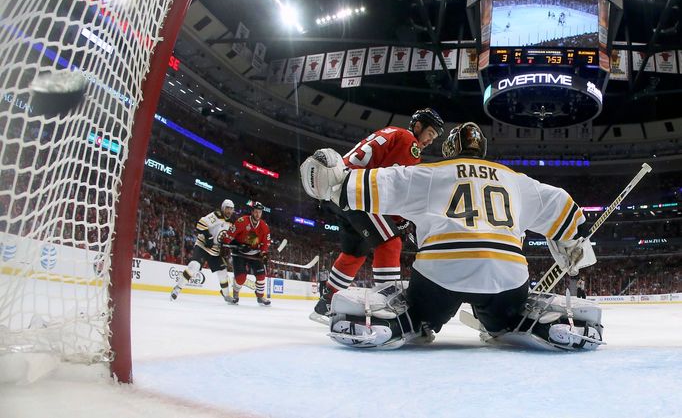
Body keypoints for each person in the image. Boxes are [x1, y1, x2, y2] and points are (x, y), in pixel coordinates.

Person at [300, 122, 602, 351]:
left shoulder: (432, 173)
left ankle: (398, 321)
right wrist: (576, 238)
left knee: (418, 312)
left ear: (450, 149)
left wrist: (336, 180)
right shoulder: (515, 180)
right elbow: (560, 203)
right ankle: (528, 322)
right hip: (506, 278)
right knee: (508, 315)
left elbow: (374, 185)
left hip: (440, 275)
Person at [303, 108, 445, 323]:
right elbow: (393, 182)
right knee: (390, 242)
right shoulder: (408, 141)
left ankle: (324, 306)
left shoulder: (391, 131)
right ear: (418, 126)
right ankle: (387, 307)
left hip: (340, 191)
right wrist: (400, 219)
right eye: (430, 134)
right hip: (358, 192)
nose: (429, 141)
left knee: (355, 253)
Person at [171, 199, 235, 302]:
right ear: (223, 208)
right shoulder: (216, 215)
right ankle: (177, 289)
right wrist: (208, 237)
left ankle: (226, 295)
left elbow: (227, 238)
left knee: (223, 272)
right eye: (227, 208)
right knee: (194, 266)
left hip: (215, 250)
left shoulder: (231, 223)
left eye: (231, 209)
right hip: (203, 246)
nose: (229, 211)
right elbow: (200, 224)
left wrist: (226, 246)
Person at [221, 201, 272, 306]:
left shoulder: (264, 226)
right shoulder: (242, 221)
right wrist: (229, 243)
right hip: (239, 253)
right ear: (252, 212)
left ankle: (260, 296)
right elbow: (230, 235)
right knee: (241, 278)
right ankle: (235, 292)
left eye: (260, 212)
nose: (258, 214)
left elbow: (265, 243)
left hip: (255, 254)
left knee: (261, 276)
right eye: (256, 212)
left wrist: (264, 253)